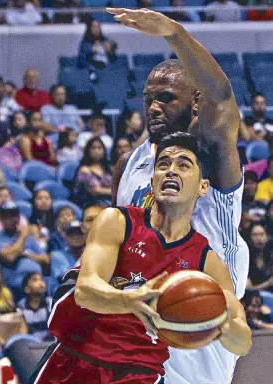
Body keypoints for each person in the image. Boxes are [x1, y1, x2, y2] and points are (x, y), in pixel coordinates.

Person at [29, 133, 251, 384]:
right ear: (153, 178)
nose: (170, 171)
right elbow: (85, 290)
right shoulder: (117, 221)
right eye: (163, 164)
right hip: (75, 359)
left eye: (183, 165)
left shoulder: (207, 261)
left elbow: (242, 342)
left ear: (203, 186)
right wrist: (130, 300)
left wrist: (217, 322)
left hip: (138, 375)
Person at [107, 7, 249, 384]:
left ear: (195, 103)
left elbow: (221, 97)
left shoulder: (212, 154)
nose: (153, 107)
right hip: (142, 305)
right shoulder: (128, 164)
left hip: (201, 288)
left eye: (167, 98)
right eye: (148, 98)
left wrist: (173, 33)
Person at [0, 202, 48, 299]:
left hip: (39, 282)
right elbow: (10, 257)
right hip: (17, 287)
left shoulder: (30, 238)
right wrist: (23, 236)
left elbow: (45, 259)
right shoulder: (1, 238)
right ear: (1, 219)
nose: (12, 219)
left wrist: (25, 255)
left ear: (18, 217)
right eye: (7, 216)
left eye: (14, 215)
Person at [73, 137, 112, 208]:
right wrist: (112, 191)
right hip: (91, 203)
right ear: (88, 151)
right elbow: (95, 191)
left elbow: (117, 188)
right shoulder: (84, 170)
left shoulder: (108, 169)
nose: (97, 151)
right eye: (93, 148)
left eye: (99, 148)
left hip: (110, 201)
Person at [50, 220, 86, 294]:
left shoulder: (90, 254)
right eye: (72, 234)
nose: (76, 237)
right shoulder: (58, 255)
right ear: (65, 236)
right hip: (62, 298)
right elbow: (66, 278)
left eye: (79, 234)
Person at [17, 273, 53, 342]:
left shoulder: (51, 303)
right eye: (35, 280)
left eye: (42, 280)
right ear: (27, 289)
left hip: (50, 344)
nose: (40, 283)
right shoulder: (20, 308)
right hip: (31, 346)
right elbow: (23, 334)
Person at [247, 223, 273, 292]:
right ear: (250, 237)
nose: (258, 238)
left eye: (261, 234)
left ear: (267, 236)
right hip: (252, 298)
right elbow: (247, 286)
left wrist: (254, 288)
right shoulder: (246, 256)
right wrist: (267, 283)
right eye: (255, 235)